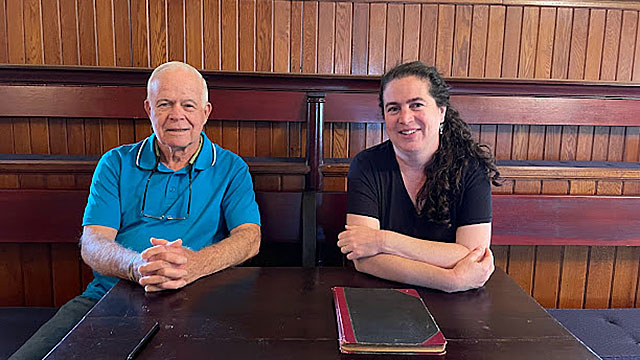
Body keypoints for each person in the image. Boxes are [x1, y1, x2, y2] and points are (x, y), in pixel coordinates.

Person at [10, 61, 261, 360]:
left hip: (201, 303)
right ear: (149, 109)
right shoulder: (115, 163)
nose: (177, 115)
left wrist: (193, 265)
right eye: (165, 104)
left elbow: (250, 238)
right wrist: (137, 266)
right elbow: (92, 244)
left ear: (206, 112)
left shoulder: (232, 168)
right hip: (108, 299)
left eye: (188, 105)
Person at [337, 61, 500, 293]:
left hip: (458, 307)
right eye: (393, 108)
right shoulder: (366, 165)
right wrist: (450, 280)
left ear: (441, 111)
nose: (405, 118)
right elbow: (362, 257)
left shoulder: (471, 168)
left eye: (416, 105)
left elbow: (473, 255)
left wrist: (382, 241)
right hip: (382, 298)